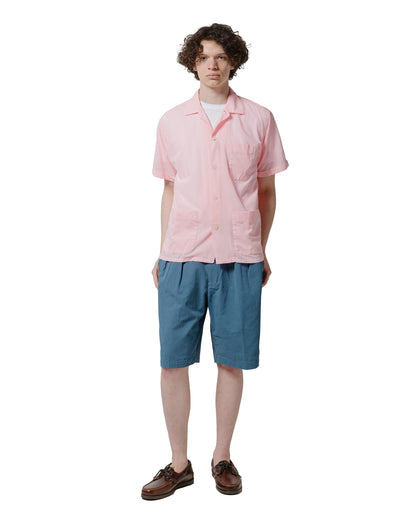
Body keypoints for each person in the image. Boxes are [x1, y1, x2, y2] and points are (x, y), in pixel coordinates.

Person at [141, 23, 289, 500]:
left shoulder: (259, 118)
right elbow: (169, 189)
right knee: (172, 362)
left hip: (238, 255)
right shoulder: (170, 121)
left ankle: (221, 456)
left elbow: (267, 191)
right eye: (204, 56)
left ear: (233, 62)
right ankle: (178, 464)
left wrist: (260, 249)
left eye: (221, 56)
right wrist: (162, 250)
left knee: (231, 361)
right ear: (193, 62)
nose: (212, 64)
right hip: (181, 256)